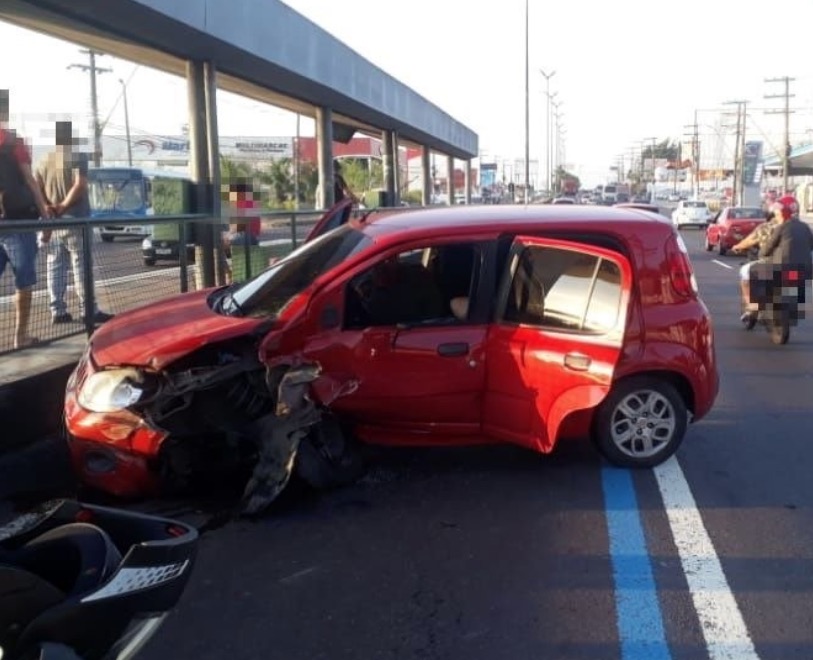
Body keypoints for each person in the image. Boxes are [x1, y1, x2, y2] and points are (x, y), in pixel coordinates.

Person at [35, 121, 113, 324]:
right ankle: (88, 310)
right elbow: (80, 184)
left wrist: (48, 209)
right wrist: (63, 206)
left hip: (53, 223)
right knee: (82, 266)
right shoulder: (78, 156)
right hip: (77, 220)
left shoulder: (43, 161)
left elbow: (38, 189)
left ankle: (58, 311)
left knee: (55, 266)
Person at [0, 89, 54, 348]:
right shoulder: (14, 142)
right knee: (24, 280)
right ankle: (20, 336)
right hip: (18, 221)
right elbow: (30, 181)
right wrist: (46, 218)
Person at [731, 196, 789, 321]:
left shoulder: (767, 227)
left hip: (769, 264)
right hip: (793, 266)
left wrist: (737, 246)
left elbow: (750, 240)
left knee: (745, 273)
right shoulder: (797, 228)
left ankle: (752, 307)